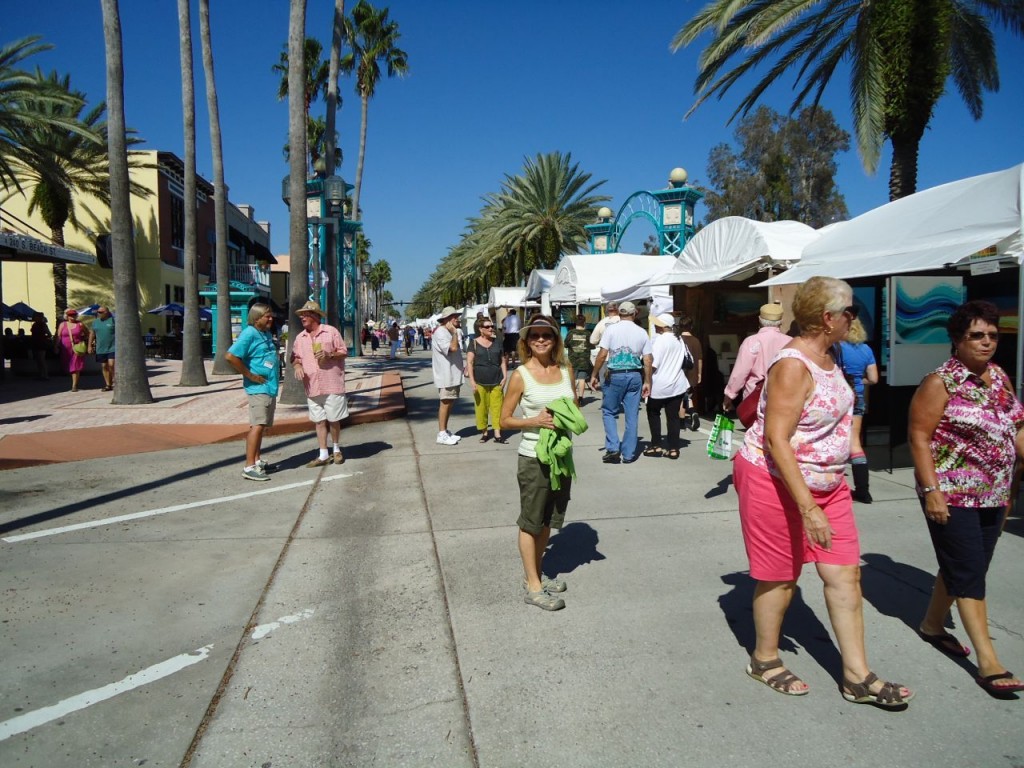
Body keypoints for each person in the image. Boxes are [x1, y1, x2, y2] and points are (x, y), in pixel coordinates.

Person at [734, 276, 913, 707]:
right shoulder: (793, 365)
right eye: (850, 310)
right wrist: (808, 508)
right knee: (780, 576)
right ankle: (764, 658)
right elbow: (777, 440)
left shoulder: (831, 355)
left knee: (845, 573)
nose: (855, 317)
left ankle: (856, 675)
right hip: (773, 479)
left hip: (828, 483)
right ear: (828, 318)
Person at [908, 299, 1024, 697]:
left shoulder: (999, 378)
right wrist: (931, 491)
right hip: (952, 495)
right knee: (970, 571)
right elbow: (919, 438)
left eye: (992, 335)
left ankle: (932, 625)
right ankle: (988, 660)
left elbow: (1016, 426)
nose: (987, 342)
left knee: (964, 565)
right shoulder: (940, 382)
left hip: (996, 493)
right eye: (977, 335)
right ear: (957, 339)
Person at [500, 314, 576, 611]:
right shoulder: (521, 375)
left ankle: (537, 574)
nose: (541, 340)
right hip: (533, 457)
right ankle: (532, 586)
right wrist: (535, 420)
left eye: (547, 335)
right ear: (526, 341)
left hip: (561, 456)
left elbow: (571, 407)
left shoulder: (565, 369)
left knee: (548, 520)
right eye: (535, 336)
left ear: (556, 339)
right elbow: (504, 420)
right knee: (531, 522)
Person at [589, 301, 652, 464]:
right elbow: (647, 359)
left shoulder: (611, 330)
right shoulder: (642, 332)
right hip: (634, 376)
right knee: (632, 415)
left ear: (619, 312)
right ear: (635, 313)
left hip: (615, 375)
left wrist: (594, 374)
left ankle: (613, 448)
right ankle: (629, 453)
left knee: (609, 411)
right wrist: (648, 381)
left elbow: (602, 355)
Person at [290, 300, 350, 467]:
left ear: (315, 316)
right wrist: (297, 366)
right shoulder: (300, 338)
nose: (302, 317)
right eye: (301, 314)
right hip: (312, 386)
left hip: (332, 383)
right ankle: (323, 454)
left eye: (305, 314)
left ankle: (336, 449)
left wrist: (329, 355)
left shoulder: (330, 332)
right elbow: (295, 357)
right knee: (319, 421)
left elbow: (343, 352)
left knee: (334, 419)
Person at [225, 302, 279, 481]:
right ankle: (249, 466)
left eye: (271, 315)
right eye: (267, 316)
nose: (271, 318)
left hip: (268, 386)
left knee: (261, 426)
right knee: (257, 425)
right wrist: (250, 375)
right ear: (256, 318)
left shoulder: (264, 333)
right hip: (258, 388)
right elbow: (231, 356)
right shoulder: (249, 334)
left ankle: (256, 460)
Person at [722, 303, 790, 414]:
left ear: (759, 319)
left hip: (755, 398)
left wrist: (729, 395)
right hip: (784, 397)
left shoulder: (752, 342)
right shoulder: (790, 342)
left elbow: (740, 372)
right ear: (781, 321)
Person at [839, 318, 878, 503]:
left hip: (837, 397)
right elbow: (873, 379)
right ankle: (864, 490)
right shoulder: (866, 350)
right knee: (855, 443)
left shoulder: (836, 348)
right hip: (858, 398)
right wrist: (857, 381)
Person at [644, 314, 689, 460]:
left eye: (657, 324)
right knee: (673, 417)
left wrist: (647, 380)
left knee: (653, 413)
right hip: (676, 384)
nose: (655, 326)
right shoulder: (679, 339)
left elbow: (653, 364)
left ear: (663, 326)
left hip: (659, 384)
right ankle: (674, 448)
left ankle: (656, 445)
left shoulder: (659, 341)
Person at [467, 316, 508, 443]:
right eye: (487, 327)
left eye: (492, 326)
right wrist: (472, 381)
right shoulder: (473, 343)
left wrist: (505, 376)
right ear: (481, 329)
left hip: (497, 379)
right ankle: (484, 432)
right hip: (480, 380)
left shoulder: (498, 342)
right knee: (481, 408)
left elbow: (502, 361)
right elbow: (469, 362)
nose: (491, 328)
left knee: (497, 407)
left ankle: (497, 432)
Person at [432, 306, 465, 445]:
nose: (457, 319)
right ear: (446, 320)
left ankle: (445, 430)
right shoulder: (441, 332)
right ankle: (441, 433)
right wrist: (454, 334)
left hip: (454, 375)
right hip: (446, 376)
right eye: (454, 317)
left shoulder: (450, 331)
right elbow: (452, 348)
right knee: (445, 403)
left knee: (449, 403)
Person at [55, 308, 87, 392]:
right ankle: (73, 383)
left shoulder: (80, 324)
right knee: (68, 366)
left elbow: (87, 333)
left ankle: (74, 385)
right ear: (67, 316)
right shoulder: (63, 324)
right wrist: (56, 346)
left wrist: (82, 341)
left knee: (75, 366)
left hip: (77, 348)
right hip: (65, 349)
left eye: (74, 315)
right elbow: (58, 336)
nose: (72, 317)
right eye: (70, 315)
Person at [564, 313, 594, 403]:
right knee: (582, 379)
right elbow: (592, 345)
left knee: (572, 379)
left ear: (575, 322)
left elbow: (565, 344)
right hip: (584, 360)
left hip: (573, 360)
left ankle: (573, 397)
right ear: (584, 322)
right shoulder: (588, 333)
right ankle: (581, 398)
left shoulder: (571, 333)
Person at [589, 301, 620, 381]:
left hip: (605, 358)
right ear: (617, 309)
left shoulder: (602, 322)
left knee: (605, 386)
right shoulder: (623, 321)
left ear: (606, 310)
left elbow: (593, 340)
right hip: (621, 359)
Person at [88, 305, 116, 392]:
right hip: (100, 348)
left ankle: (116, 382)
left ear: (106, 312)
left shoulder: (113, 320)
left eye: (100, 312)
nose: (98, 314)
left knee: (111, 365)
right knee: (104, 366)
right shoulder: (95, 322)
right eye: (98, 312)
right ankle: (108, 384)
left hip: (113, 347)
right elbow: (92, 334)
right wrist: (90, 346)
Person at [30, 312, 51, 380]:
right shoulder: (35, 324)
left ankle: (45, 375)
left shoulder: (43, 325)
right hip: (35, 343)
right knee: (38, 360)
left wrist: (44, 338)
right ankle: (41, 374)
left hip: (41, 343)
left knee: (41, 359)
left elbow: (49, 334)